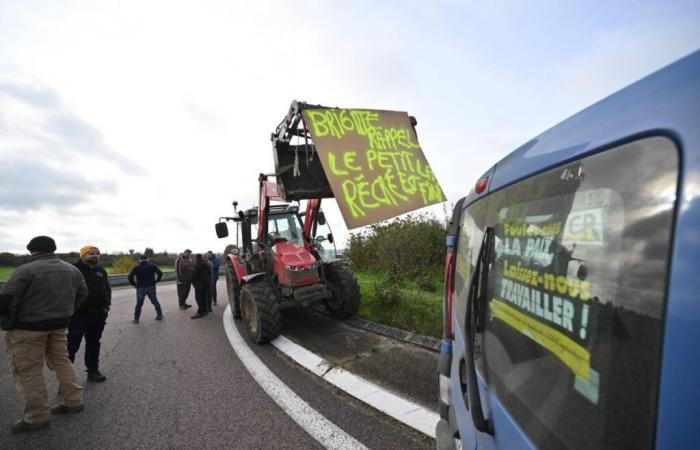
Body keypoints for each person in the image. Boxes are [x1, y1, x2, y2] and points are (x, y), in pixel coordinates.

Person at [0, 236, 87, 433]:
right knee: (63, 362)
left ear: (32, 250)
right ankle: (73, 401)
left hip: (27, 329)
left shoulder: (25, 270)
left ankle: (36, 416)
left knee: (28, 371)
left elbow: (6, 301)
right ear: (53, 249)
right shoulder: (72, 269)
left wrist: (8, 325)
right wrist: (67, 313)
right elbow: (83, 294)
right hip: (59, 326)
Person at [67, 245, 111, 383]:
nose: (95, 256)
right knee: (71, 346)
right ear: (83, 255)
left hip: (98, 314)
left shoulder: (100, 270)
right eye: (91, 253)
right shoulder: (73, 270)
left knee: (93, 343)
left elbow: (107, 289)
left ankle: (93, 371)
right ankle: (67, 380)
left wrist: (106, 306)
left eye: (97, 253)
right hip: (78, 315)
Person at [127, 255, 164, 324]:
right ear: (148, 259)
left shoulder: (136, 267)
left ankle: (136, 319)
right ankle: (159, 315)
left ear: (139, 260)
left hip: (140, 288)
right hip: (151, 286)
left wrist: (135, 285)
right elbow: (160, 273)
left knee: (139, 304)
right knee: (155, 301)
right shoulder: (152, 266)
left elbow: (130, 277)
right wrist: (156, 281)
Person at [190, 254, 211, 319]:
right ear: (201, 258)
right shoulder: (206, 265)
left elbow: (193, 275)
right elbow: (209, 272)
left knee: (198, 298)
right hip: (206, 284)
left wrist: (191, 281)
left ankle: (200, 312)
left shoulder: (196, 266)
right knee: (204, 297)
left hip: (199, 285)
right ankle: (205, 310)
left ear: (196, 258)